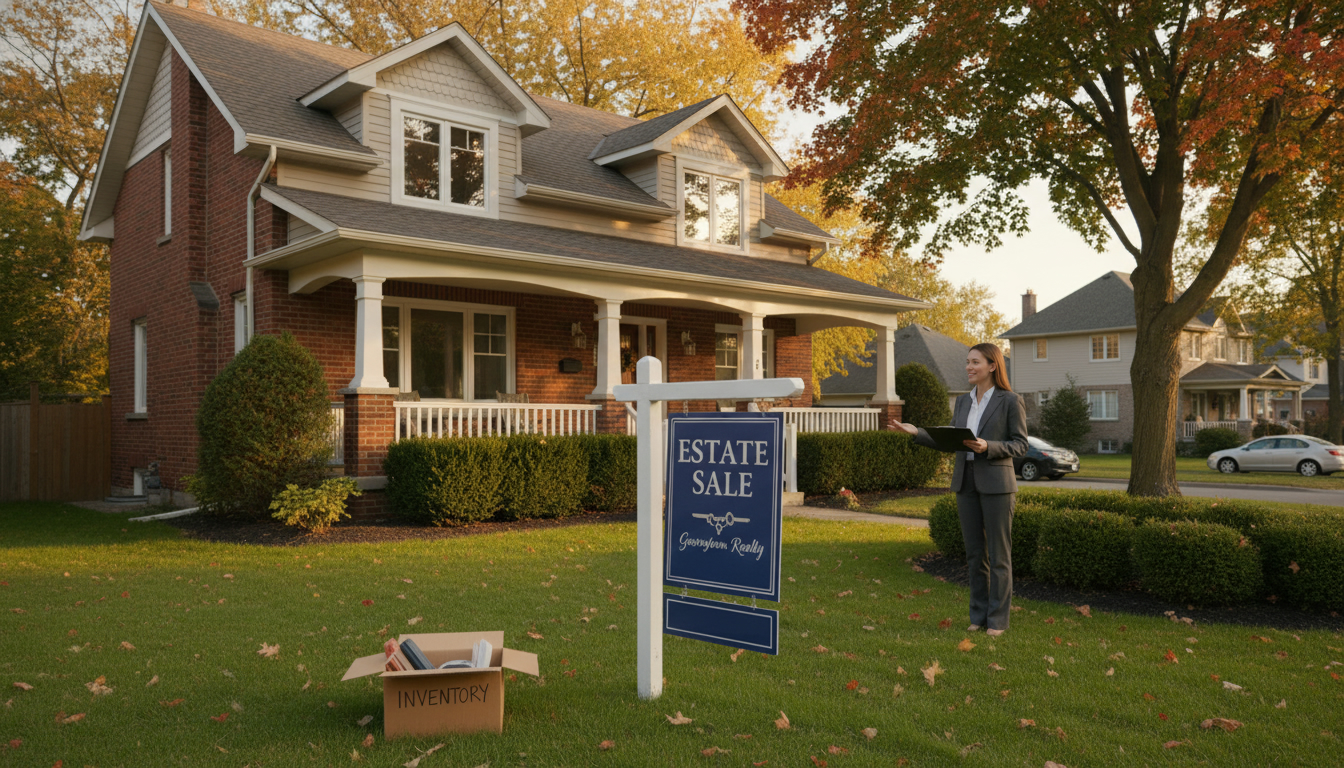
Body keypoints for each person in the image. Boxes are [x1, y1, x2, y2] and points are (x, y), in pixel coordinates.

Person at [889, 343, 1027, 636]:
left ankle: (998, 621)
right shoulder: (963, 402)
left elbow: (1020, 444)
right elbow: (950, 439)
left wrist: (988, 446)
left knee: (999, 556)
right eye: (967, 362)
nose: (968, 367)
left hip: (997, 486)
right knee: (975, 555)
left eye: (975, 362)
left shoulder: (1010, 401)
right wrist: (918, 433)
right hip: (965, 484)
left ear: (992, 366)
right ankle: (978, 617)